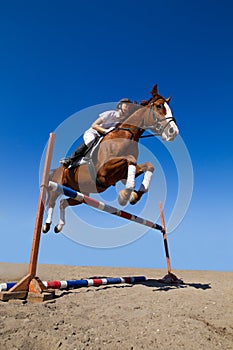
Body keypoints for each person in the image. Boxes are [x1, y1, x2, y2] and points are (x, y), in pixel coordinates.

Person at [60, 98, 133, 168]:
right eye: (126, 105)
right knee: (91, 139)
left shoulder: (122, 121)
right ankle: (70, 160)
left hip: (104, 136)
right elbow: (94, 125)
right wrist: (105, 131)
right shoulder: (110, 113)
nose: (128, 108)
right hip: (94, 132)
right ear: (120, 106)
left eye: (129, 107)